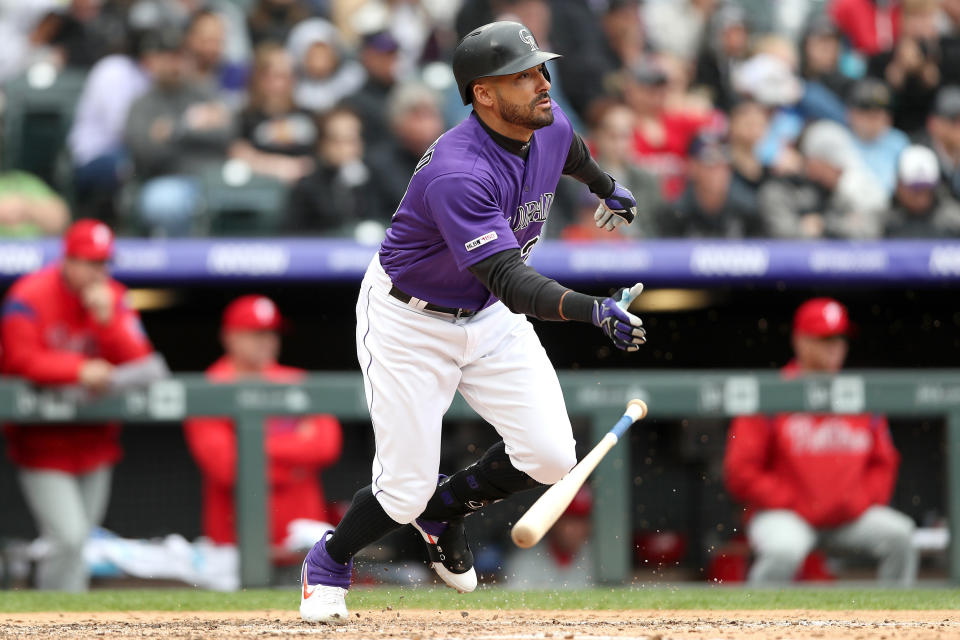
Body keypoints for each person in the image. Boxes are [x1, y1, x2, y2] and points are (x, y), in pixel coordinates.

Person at [299, 21, 645, 623]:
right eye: (523, 75)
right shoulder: (459, 171)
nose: (542, 83)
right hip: (411, 322)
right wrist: (592, 308)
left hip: (485, 318)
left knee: (550, 456)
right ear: (483, 92)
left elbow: (573, 151)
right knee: (402, 490)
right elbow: (511, 282)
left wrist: (607, 188)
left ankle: (447, 509)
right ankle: (329, 560)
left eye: (540, 69)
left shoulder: (547, 120)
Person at [0, 220, 159, 591]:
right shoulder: (29, 295)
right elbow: (19, 361)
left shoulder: (114, 298)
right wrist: (78, 369)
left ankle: (65, 618)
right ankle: (54, 623)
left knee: (78, 542)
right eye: (89, 262)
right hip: (42, 442)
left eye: (103, 263)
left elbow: (143, 362)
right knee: (69, 538)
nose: (97, 272)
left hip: (95, 439)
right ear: (67, 260)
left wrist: (108, 322)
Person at [724, 297, 917, 585]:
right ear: (801, 341)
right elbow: (740, 471)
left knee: (901, 535)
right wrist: (792, 500)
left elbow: (884, 463)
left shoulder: (860, 397)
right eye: (825, 338)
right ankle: (756, 624)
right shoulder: (771, 394)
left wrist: (858, 501)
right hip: (787, 515)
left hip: (848, 518)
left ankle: (895, 624)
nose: (836, 346)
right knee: (783, 550)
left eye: (840, 337)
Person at [183, 295, 343, 551]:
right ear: (230, 336)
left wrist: (250, 448)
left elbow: (326, 447)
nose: (267, 341)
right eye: (256, 333)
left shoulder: (297, 380)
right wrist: (297, 463)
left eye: (271, 333)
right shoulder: (210, 387)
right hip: (235, 543)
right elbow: (227, 468)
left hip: (304, 537)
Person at [124, 30, 234, 236]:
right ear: (153, 61)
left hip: (215, 177)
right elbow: (146, 151)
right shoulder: (142, 104)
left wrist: (171, 131)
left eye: (179, 57)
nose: (174, 64)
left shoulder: (204, 91)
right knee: (164, 203)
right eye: (167, 57)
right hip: (169, 178)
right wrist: (190, 125)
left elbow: (227, 133)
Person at [283, 107, 389, 237]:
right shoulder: (307, 187)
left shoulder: (376, 180)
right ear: (322, 144)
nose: (344, 148)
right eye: (337, 141)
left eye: (351, 140)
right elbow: (294, 236)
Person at [229, 44, 316, 184]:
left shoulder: (309, 116)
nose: (280, 84)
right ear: (259, 79)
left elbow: (320, 157)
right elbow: (239, 155)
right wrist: (281, 167)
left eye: (287, 76)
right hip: (261, 189)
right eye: (274, 76)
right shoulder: (245, 117)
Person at [654, 133, 763, 238]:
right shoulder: (676, 213)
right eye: (710, 163)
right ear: (692, 166)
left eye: (724, 164)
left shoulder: (748, 210)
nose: (718, 172)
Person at [502, 486, 595, 589]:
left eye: (581, 520)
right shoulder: (525, 562)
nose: (576, 528)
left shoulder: (598, 560)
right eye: (568, 520)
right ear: (553, 521)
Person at [845, 78, 909, 195]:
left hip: (891, 208)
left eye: (877, 114)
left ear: (888, 118)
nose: (872, 121)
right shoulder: (840, 140)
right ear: (851, 114)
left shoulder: (899, 143)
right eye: (866, 113)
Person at [884, 144, 960, 237]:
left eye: (927, 188)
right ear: (899, 184)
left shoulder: (953, 221)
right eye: (915, 188)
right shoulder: (883, 222)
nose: (922, 197)